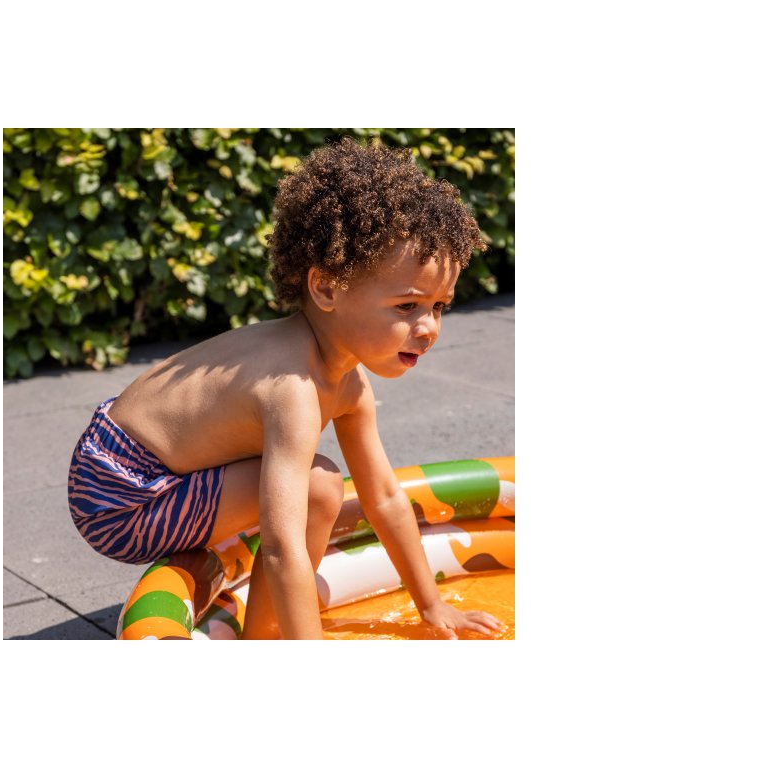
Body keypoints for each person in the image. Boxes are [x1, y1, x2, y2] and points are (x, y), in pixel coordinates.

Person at [68, 137, 504, 639]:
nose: (428, 328)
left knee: (315, 487)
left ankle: (264, 636)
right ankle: (269, 641)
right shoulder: (292, 388)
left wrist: (432, 606)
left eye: (438, 306)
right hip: (122, 495)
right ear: (326, 288)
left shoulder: (347, 382)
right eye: (407, 306)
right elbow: (280, 547)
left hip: (144, 466)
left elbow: (384, 497)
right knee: (319, 490)